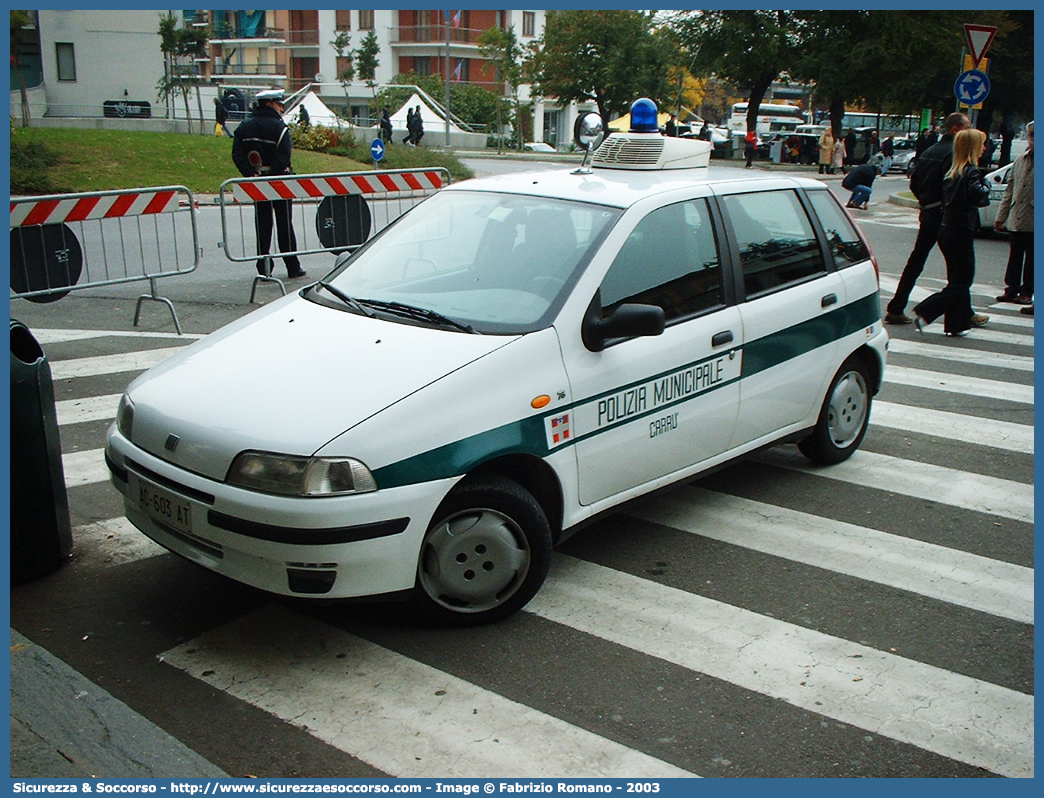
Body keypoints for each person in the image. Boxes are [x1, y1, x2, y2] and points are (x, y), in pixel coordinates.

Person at [884, 112, 972, 325]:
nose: (969, 131)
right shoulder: (954, 154)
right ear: (955, 129)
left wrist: (925, 201)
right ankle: (963, 313)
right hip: (945, 216)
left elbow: (914, 183)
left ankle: (896, 306)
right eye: (966, 127)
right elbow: (952, 187)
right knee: (959, 266)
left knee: (916, 261)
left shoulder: (929, 151)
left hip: (928, 213)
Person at [912, 129, 992, 337]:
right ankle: (926, 311)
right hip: (960, 230)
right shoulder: (971, 171)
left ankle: (957, 324)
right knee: (962, 281)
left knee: (957, 278)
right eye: (982, 144)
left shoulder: (953, 171)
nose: (985, 148)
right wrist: (987, 185)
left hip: (946, 228)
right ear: (973, 147)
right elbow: (979, 196)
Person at [231, 88, 306, 280]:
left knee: (263, 225)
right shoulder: (280, 128)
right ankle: (292, 266)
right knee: (285, 225)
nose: (281, 107)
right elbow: (283, 157)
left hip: (258, 182)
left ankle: (264, 268)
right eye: (279, 103)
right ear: (269, 104)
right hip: (279, 182)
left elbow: (237, 155)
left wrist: (251, 173)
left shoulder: (244, 127)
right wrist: (273, 175)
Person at [994, 121, 1034, 305]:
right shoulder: (1020, 159)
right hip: (1017, 215)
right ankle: (1012, 288)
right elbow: (1009, 191)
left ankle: (1027, 291)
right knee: (1015, 255)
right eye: (1031, 135)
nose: (1034, 139)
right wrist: (1001, 216)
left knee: (1033, 258)